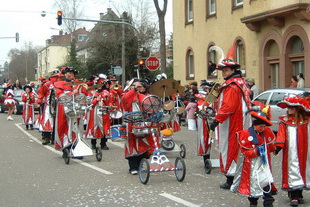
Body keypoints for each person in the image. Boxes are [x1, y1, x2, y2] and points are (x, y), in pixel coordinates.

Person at [209, 59, 252, 190]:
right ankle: (239, 176)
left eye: (226, 70)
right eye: (222, 70)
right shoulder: (240, 83)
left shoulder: (232, 85)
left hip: (232, 122)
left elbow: (228, 106)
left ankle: (231, 177)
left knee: (229, 147)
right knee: (240, 147)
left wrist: (216, 120)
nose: (224, 72)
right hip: (241, 120)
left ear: (233, 70)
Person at [231, 109, 276, 207]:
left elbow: (270, 145)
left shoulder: (266, 132)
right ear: (254, 126)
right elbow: (244, 152)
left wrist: (274, 149)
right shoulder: (246, 134)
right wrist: (256, 151)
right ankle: (253, 202)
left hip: (264, 163)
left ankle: (268, 201)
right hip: (252, 165)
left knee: (266, 180)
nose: (263, 128)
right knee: (253, 183)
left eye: (264, 126)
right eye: (261, 126)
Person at [275, 95, 310, 207]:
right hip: (291, 153)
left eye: (292, 107)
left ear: (298, 109)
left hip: (304, 152)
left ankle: (299, 194)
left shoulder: (305, 121)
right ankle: (293, 195)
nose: (289, 109)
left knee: (303, 171)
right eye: (288, 107)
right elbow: (281, 135)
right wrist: (278, 146)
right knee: (292, 170)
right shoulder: (284, 122)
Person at [122, 79, 156, 175]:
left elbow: (149, 106)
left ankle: (141, 165)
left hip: (142, 123)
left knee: (143, 144)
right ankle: (133, 167)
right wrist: (132, 90)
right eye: (136, 86)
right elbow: (125, 102)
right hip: (130, 124)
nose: (138, 88)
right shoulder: (126, 95)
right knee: (131, 146)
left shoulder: (142, 96)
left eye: (140, 86)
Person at [53, 67, 87, 151]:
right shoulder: (60, 83)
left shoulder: (78, 84)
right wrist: (72, 93)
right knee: (63, 125)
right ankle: (65, 145)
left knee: (77, 126)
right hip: (64, 107)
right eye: (68, 73)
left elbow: (84, 94)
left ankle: (77, 145)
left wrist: (85, 91)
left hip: (76, 107)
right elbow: (59, 95)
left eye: (72, 73)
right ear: (64, 74)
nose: (70, 74)